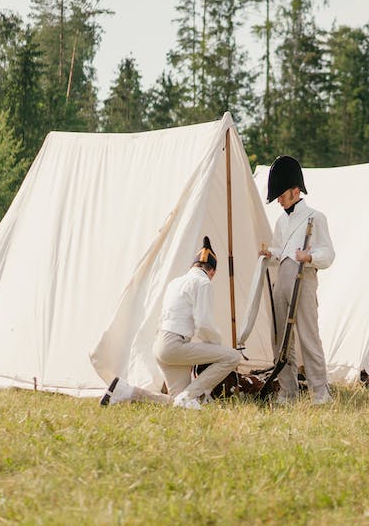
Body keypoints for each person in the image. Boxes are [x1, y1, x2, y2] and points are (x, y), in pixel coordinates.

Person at [100, 236, 245, 410]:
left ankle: (125, 391)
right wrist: (216, 347)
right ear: (212, 271)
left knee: (179, 404)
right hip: (175, 346)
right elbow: (204, 324)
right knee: (232, 356)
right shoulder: (203, 282)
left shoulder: (175, 282)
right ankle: (189, 395)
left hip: (161, 346)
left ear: (192, 266)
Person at [260, 155, 335, 405]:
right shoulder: (282, 220)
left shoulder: (316, 217)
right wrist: (271, 253)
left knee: (308, 337)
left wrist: (310, 256)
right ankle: (288, 391)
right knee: (282, 339)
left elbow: (328, 254)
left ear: (295, 191)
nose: (279, 200)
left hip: (304, 279)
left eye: (282, 195)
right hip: (282, 279)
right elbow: (281, 250)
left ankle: (320, 392)